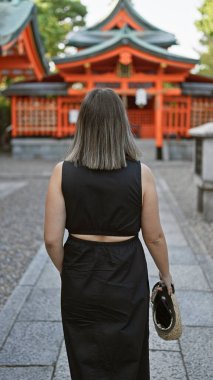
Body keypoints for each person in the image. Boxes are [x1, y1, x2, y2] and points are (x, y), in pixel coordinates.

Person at [44, 88, 173, 380]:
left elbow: (52, 239)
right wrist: (166, 277)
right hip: (127, 270)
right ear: (121, 124)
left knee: (84, 355)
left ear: (84, 124)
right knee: (129, 354)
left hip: (81, 269)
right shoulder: (142, 174)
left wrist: (72, 272)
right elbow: (154, 237)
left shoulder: (61, 172)